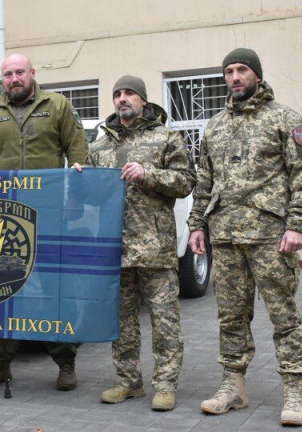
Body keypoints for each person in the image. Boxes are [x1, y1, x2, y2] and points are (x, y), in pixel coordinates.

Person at [187, 48, 302, 426]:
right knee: (230, 316)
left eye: (242, 69)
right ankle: (234, 386)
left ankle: (295, 388)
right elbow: (205, 182)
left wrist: (297, 224)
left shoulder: (284, 118)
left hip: (270, 236)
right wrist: (196, 225)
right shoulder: (214, 126)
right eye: (229, 71)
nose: (235, 77)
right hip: (225, 236)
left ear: (256, 75)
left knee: (283, 315)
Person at [75, 75, 197, 411]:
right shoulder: (100, 146)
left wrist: (148, 174)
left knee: (164, 320)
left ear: (143, 100)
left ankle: (166, 384)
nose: (122, 99)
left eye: (129, 93)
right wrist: (79, 177)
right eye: (117, 94)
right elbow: (90, 197)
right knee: (122, 323)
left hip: (155, 247)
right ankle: (128, 381)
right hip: (114, 249)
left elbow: (187, 181)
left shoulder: (165, 137)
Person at [0, 53, 88, 391]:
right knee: (2, 290)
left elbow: (79, 153)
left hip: (49, 214)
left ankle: (65, 362)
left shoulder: (58, 105)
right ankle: (0, 362)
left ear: (32, 73)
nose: (14, 79)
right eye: (7, 74)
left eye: (19, 72)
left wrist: (74, 200)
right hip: (4, 218)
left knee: (54, 290)